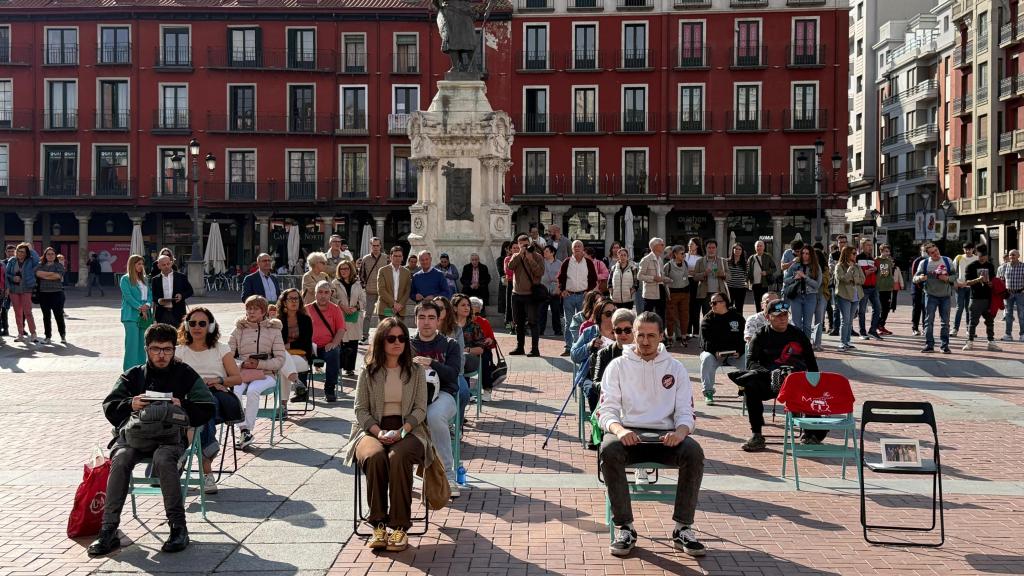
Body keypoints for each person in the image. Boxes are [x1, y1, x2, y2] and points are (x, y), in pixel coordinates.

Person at [87, 323, 215, 557]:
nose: (162, 355)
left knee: (164, 458)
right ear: (147, 349)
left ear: (174, 349)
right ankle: (108, 531)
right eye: (156, 349)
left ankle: (178, 528)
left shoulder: (185, 373)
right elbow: (109, 405)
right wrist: (130, 404)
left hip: (171, 438)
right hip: (135, 438)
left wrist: (182, 404)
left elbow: (207, 407)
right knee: (121, 458)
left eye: (167, 349)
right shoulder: (134, 374)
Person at [597, 311, 706, 558]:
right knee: (608, 450)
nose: (645, 341)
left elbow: (686, 412)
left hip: (666, 437)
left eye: (651, 336)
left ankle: (683, 527)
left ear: (661, 337)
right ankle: (625, 528)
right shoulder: (617, 366)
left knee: (693, 451)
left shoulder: (675, 368)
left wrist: (680, 432)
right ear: (633, 335)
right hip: (628, 434)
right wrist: (620, 430)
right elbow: (606, 411)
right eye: (640, 335)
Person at [344, 317, 432, 553]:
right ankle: (379, 524)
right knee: (375, 457)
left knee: (398, 457)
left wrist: (402, 430)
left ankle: (400, 527)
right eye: (391, 338)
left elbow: (421, 409)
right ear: (381, 341)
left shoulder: (416, 371)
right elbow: (360, 409)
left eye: (402, 338)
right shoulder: (369, 371)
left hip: (410, 429)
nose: (397, 343)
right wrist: (378, 431)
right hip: (371, 428)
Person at [175, 307, 243, 494]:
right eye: (193, 323)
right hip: (189, 400)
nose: (197, 327)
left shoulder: (221, 349)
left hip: (216, 396)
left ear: (210, 326)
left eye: (202, 323)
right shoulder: (179, 351)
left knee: (207, 404)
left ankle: (181, 456)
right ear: (186, 326)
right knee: (200, 414)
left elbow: (237, 378)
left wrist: (218, 380)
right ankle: (207, 473)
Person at [739, 300, 820, 452]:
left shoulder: (798, 334)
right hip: (770, 380)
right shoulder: (760, 335)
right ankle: (757, 434)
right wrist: (770, 374)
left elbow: (811, 362)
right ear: (768, 317)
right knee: (750, 387)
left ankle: (810, 434)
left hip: (796, 381)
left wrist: (813, 381)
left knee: (812, 386)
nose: (783, 319)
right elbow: (751, 363)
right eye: (778, 316)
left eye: (785, 315)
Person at [410, 301, 463, 494]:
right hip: (412, 396)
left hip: (444, 395)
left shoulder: (450, 345)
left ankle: (447, 475)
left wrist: (432, 363)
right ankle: (403, 472)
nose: (426, 322)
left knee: (433, 416)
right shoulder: (406, 344)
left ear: (439, 320)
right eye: (422, 317)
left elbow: (453, 374)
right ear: (415, 319)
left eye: (431, 317)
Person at [229, 295, 287, 448]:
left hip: (267, 374)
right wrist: (242, 363)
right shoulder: (238, 329)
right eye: (249, 308)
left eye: (255, 309)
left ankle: (246, 430)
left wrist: (259, 364)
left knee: (253, 391)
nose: (251, 312)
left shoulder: (274, 330)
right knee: (234, 392)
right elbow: (227, 356)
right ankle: (244, 430)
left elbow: (280, 360)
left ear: (263, 311)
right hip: (242, 372)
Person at [698, 292, 746, 405]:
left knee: (747, 360)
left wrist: (740, 351)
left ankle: (744, 386)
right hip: (714, 353)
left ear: (724, 302)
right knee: (707, 359)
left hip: (734, 353)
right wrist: (715, 352)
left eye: (715, 303)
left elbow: (744, 338)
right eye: (711, 303)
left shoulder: (737, 318)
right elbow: (705, 342)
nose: (712, 305)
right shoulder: (708, 319)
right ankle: (708, 392)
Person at [571, 298, 618, 408]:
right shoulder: (590, 332)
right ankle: (597, 421)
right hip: (591, 376)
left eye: (615, 312)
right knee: (593, 391)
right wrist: (589, 346)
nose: (613, 316)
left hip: (615, 375)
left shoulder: (621, 332)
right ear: (599, 316)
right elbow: (574, 355)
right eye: (608, 314)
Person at [588, 308, 636, 412]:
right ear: (613, 332)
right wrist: (615, 388)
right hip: (612, 404)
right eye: (618, 331)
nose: (623, 334)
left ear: (634, 330)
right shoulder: (604, 353)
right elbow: (596, 383)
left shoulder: (642, 352)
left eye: (627, 330)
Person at [914, 242, 956, 354]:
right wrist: (921, 278)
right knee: (929, 321)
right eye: (932, 253)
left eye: (936, 250)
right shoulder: (924, 263)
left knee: (945, 322)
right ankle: (929, 345)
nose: (936, 253)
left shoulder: (947, 261)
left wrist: (947, 278)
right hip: (930, 295)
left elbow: (955, 276)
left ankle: (945, 346)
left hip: (945, 296)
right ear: (928, 254)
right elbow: (915, 278)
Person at [307, 281, 346, 401]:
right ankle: (301, 389)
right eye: (320, 292)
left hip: (327, 346)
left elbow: (341, 329)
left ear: (330, 294)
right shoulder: (306, 309)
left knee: (334, 352)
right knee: (299, 354)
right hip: (310, 347)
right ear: (315, 294)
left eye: (326, 292)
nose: (323, 295)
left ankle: (329, 389)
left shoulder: (335, 309)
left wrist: (334, 343)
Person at [507, 234, 545, 356]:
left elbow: (540, 272)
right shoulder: (515, 256)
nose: (525, 247)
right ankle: (520, 347)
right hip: (516, 294)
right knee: (518, 323)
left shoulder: (537, 256)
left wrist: (530, 258)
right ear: (518, 245)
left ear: (530, 243)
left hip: (531, 295)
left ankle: (535, 349)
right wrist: (520, 254)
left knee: (533, 322)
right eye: (522, 245)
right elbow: (510, 267)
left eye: (526, 244)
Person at [558, 240, 597, 354]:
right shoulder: (567, 262)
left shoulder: (588, 263)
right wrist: (562, 290)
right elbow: (560, 277)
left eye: (579, 246)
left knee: (583, 322)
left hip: (583, 296)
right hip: (569, 296)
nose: (577, 248)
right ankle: (568, 347)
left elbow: (594, 279)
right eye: (575, 246)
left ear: (583, 248)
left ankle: (581, 346)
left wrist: (588, 291)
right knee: (568, 322)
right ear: (572, 249)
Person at [453, 293, 493, 401]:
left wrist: (467, 350)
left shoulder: (474, 326)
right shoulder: (449, 326)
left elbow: (481, 349)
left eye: (468, 305)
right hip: (452, 360)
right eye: (463, 305)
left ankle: (466, 392)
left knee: (463, 358)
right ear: (455, 308)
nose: (467, 308)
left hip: (469, 358)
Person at [276, 288, 314, 403]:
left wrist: (287, 346)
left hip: (301, 357)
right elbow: (275, 341)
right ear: (284, 302)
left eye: (296, 298)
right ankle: (297, 382)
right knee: (283, 365)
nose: (294, 301)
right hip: (283, 357)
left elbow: (305, 342)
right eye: (291, 298)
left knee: (281, 366)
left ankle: (283, 407)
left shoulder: (306, 320)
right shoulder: (278, 320)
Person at [962, 245, 1001, 351]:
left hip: (988, 298)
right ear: (976, 254)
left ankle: (991, 342)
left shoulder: (990, 266)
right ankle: (969, 342)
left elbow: (993, 280)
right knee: (973, 322)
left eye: (984, 256)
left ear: (987, 255)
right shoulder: (971, 266)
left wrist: (991, 283)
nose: (982, 258)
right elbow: (967, 282)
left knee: (990, 321)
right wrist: (978, 279)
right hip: (975, 298)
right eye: (980, 256)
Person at [334, 260, 366, 379]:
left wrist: (356, 307)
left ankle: (350, 368)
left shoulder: (357, 283)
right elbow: (331, 298)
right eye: (342, 269)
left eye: (346, 268)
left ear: (351, 270)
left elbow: (363, 299)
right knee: (341, 342)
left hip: (354, 316)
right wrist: (341, 305)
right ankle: (339, 366)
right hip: (341, 315)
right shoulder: (335, 283)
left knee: (353, 343)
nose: (344, 271)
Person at [120, 254, 153, 368]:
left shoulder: (145, 279)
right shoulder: (125, 279)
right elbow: (128, 297)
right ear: (132, 265)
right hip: (131, 316)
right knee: (132, 345)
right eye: (139, 264)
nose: (141, 266)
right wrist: (140, 308)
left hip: (145, 315)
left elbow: (149, 294)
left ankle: (142, 369)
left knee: (143, 345)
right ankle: (129, 371)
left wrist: (147, 305)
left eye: (142, 264)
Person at [782, 245, 821, 339]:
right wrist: (794, 278)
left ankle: (806, 345)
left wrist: (805, 277)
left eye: (807, 253)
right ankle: (797, 344)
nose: (805, 255)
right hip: (796, 296)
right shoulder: (795, 265)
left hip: (810, 297)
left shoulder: (816, 267)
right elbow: (785, 280)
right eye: (803, 253)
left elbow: (817, 285)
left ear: (811, 255)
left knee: (807, 324)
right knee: (796, 324)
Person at [5, 242, 40, 344]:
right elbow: (7, 274)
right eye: (19, 251)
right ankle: (20, 334)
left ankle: (33, 334)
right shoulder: (12, 260)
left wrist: (31, 249)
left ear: (26, 253)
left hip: (26, 289)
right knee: (18, 313)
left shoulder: (30, 261)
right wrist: (13, 278)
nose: (21, 253)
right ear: (17, 252)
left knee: (28, 312)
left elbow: (38, 260)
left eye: (23, 252)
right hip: (14, 290)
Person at [833, 246, 865, 352]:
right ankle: (842, 342)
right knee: (845, 320)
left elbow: (863, 280)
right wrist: (850, 270)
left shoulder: (857, 266)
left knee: (850, 321)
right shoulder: (839, 266)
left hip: (856, 296)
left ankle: (848, 341)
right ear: (847, 254)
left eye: (855, 253)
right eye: (853, 253)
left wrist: (853, 279)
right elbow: (843, 279)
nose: (855, 255)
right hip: (844, 296)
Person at [357, 237, 387, 343]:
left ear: (380, 246)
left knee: (385, 314)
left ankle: (384, 336)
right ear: (370, 246)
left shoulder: (386, 258)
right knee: (367, 315)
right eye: (373, 245)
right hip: (370, 291)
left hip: (384, 292)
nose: (375, 247)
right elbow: (361, 275)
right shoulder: (365, 259)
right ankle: (365, 336)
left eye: (377, 245)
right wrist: (364, 286)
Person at [35, 246, 67, 345]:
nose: (50, 255)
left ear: (55, 255)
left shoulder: (59, 265)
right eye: (48, 254)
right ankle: (47, 337)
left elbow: (58, 276)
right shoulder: (40, 264)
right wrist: (51, 274)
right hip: (43, 294)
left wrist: (45, 275)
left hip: (57, 293)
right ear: (45, 255)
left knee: (59, 316)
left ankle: (63, 336)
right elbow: (37, 273)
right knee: (46, 316)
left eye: (52, 254)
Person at [151, 255, 194, 328]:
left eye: (168, 264)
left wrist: (181, 296)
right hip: (162, 314)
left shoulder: (181, 277)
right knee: (163, 337)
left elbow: (190, 291)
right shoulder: (155, 279)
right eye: (163, 265)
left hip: (178, 313)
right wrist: (158, 300)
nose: (166, 266)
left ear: (171, 263)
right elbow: (152, 295)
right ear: (159, 266)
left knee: (179, 337)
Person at [376, 246, 412, 327]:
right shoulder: (382, 270)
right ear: (390, 257)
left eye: (399, 256)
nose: (397, 258)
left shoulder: (406, 272)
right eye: (395, 256)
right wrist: (394, 304)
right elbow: (381, 290)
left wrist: (400, 305)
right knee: (385, 334)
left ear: (402, 257)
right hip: (386, 308)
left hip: (400, 310)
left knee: (398, 334)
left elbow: (407, 291)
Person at [855, 238, 883, 341]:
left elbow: (876, 271)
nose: (870, 247)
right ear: (862, 246)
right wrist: (864, 273)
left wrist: (876, 269)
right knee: (862, 311)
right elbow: (855, 273)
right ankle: (862, 332)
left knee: (878, 308)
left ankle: (873, 330)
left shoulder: (872, 258)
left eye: (871, 245)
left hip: (873, 287)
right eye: (867, 245)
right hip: (863, 287)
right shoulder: (857, 258)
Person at [693, 239, 729, 314]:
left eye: (713, 248)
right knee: (707, 314)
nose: (711, 250)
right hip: (705, 294)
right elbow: (695, 277)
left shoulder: (722, 261)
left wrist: (723, 274)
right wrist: (704, 273)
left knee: (720, 314)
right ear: (706, 248)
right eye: (709, 248)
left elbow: (729, 277)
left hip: (719, 293)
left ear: (716, 249)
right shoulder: (700, 261)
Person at [663, 245, 690, 345]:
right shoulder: (668, 266)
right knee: (671, 316)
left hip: (685, 294)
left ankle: (683, 336)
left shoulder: (686, 264)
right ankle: (670, 337)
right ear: (675, 254)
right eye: (682, 253)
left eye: (684, 253)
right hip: (672, 294)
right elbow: (664, 279)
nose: (684, 255)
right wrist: (668, 281)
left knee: (684, 315)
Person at [952, 242, 978, 338]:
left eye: (969, 249)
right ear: (963, 249)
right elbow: (952, 270)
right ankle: (955, 329)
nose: (967, 251)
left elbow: (979, 273)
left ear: (973, 249)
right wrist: (955, 282)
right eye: (965, 249)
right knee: (959, 308)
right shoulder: (959, 257)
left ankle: (969, 329)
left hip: (971, 287)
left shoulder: (976, 258)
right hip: (960, 286)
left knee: (969, 308)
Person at [997, 249, 1024, 341]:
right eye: (1010, 255)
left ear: (1018, 256)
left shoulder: (1023, 266)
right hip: (1008, 294)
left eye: (1013, 255)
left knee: (1021, 314)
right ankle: (1008, 334)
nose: (1011, 257)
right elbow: (1000, 281)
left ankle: (1022, 335)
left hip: (1020, 293)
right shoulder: (1003, 267)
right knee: (1008, 314)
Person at [637, 238, 667, 321]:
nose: (663, 246)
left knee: (661, 313)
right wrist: (653, 278)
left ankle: (661, 333)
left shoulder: (660, 259)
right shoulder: (646, 259)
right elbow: (639, 276)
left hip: (661, 289)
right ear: (655, 246)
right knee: (647, 315)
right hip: (650, 292)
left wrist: (666, 279)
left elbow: (661, 274)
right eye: (662, 244)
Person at [538, 245, 563, 337]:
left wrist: (559, 288)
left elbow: (562, 277)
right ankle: (540, 330)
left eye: (547, 251)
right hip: (543, 289)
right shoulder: (541, 262)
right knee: (542, 311)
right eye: (544, 251)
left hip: (555, 289)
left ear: (552, 252)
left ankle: (557, 330)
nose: (544, 253)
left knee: (556, 311)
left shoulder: (560, 263)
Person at [827, 235, 850, 335]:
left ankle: (850, 328)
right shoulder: (833, 255)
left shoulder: (851, 253)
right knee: (837, 306)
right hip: (837, 283)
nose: (842, 244)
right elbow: (831, 268)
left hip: (849, 284)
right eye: (840, 242)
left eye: (844, 242)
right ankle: (836, 328)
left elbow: (854, 267)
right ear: (837, 243)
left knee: (849, 306)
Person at [747, 240, 778, 312]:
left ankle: (764, 315)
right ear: (755, 248)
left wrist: (766, 272)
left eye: (761, 246)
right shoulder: (751, 258)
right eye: (757, 246)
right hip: (754, 283)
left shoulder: (767, 256)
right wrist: (747, 281)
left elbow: (774, 268)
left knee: (764, 301)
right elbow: (748, 270)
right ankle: (758, 315)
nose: (759, 247)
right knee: (757, 302)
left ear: (764, 247)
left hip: (764, 283)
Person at [875, 244, 897, 336]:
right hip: (879, 287)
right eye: (886, 251)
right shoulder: (876, 260)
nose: (888, 253)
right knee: (879, 308)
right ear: (881, 251)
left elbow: (890, 274)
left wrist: (892, 284)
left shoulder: (889, 261)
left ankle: (881, 325)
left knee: (886, 308)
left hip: (888, 287)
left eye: (888, 251)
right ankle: (877, 325)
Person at [684, 238, 703, 337]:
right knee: (687, 307)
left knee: (695, 307)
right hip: (685, 283)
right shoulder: (684, 256)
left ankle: (696, 331)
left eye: (692, 244)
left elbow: (700, 272)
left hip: (696, 283)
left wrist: (692, 272)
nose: (690, 245)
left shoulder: (700, 258)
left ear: (697, 246)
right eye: (689, 244)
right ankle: (687, 330)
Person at [910, 245, 929, 336]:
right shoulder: (917, 261)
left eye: (927, 251)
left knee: (926, 309)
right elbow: (914, 276)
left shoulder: (931, 260)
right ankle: (915, 327)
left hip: (928, 289)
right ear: (921, 251)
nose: (925, 252)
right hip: (917, 289)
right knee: (917, 308)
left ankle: (925, 328)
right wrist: (920, 287)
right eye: (923, 251)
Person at [726, 243, 749, 314]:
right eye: (736, 249)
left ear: (742, 251)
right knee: (728, 307)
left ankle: (739, 324)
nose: (737, 250)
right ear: (733, 250)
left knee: (739, 308)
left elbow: (746, 275)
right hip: (729, 288)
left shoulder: (745, 263)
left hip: (741, 288)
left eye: (739, 249)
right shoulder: (727, 261)